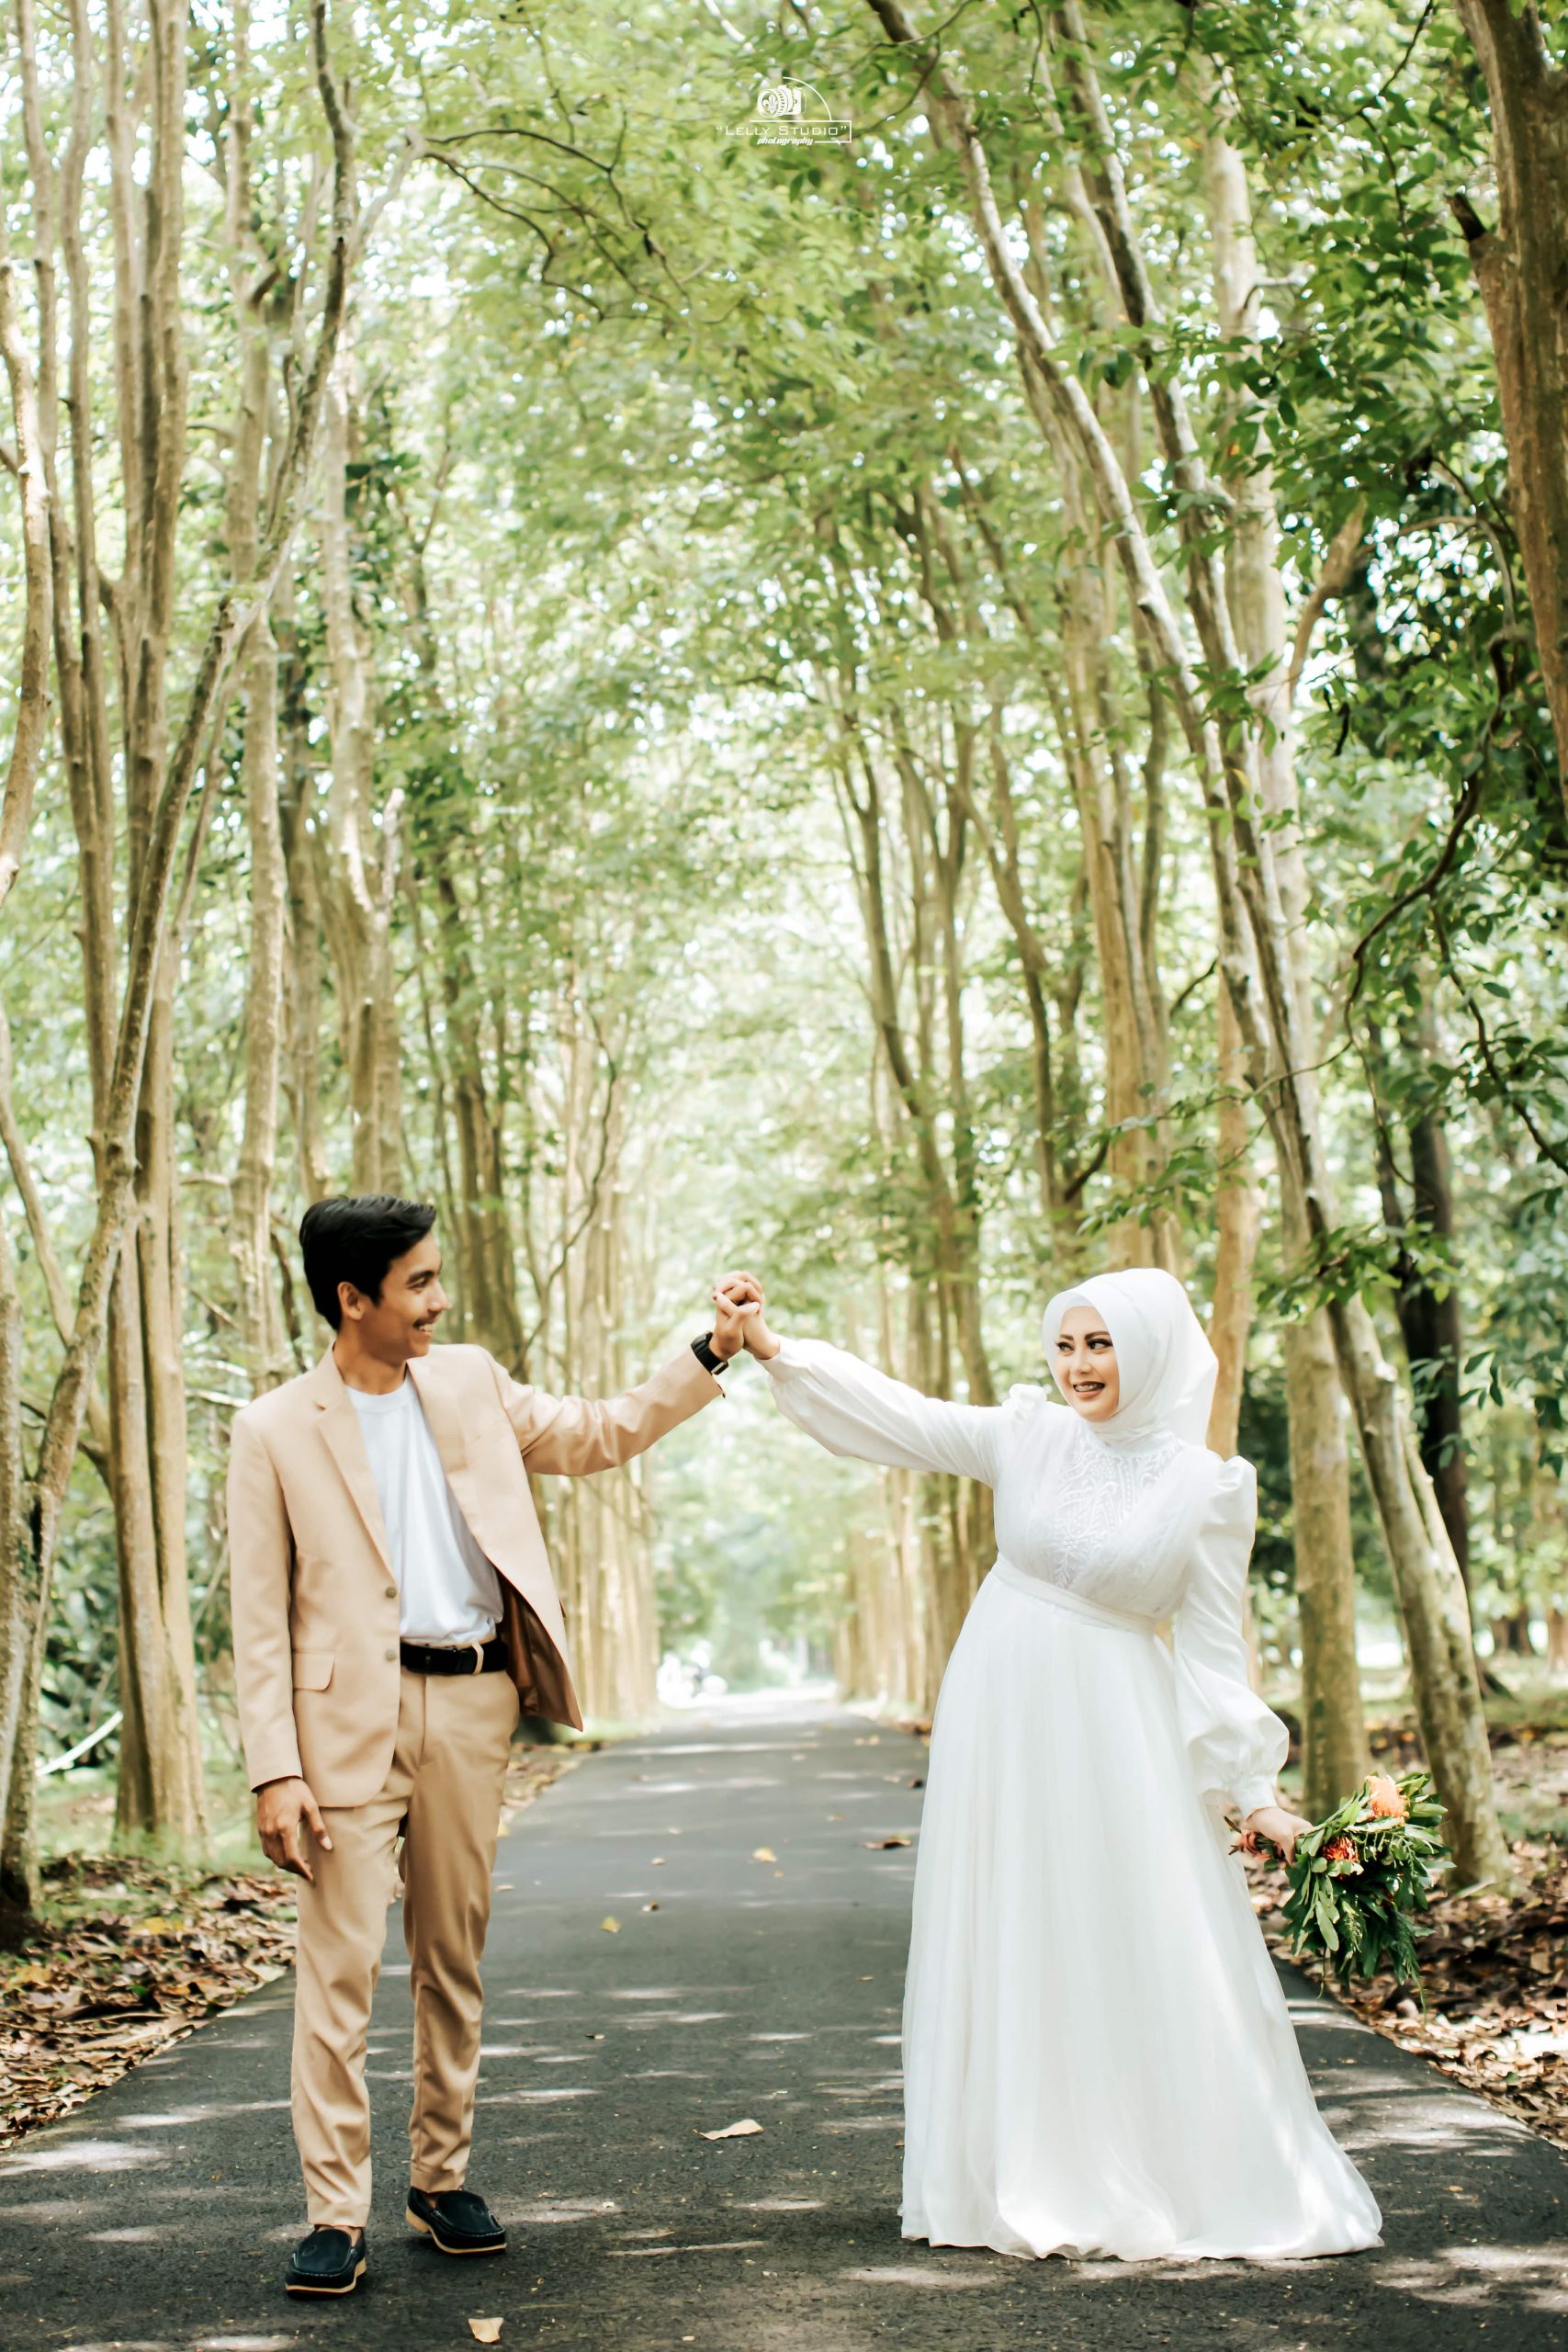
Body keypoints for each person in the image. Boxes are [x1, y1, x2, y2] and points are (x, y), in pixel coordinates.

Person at [719, 1264, 1382, 2263]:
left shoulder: (1206, 1487)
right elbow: (905, 1419)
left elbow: (1212, 1650)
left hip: (1118, 1731)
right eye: (1066, 1344)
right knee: (1011, 1916)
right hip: (998, 1713)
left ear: (1150, 1350)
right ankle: (1014, 2166)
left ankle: (1153, 2164)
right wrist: (773, 1349)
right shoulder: (1026, 1434)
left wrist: (1256, 1797)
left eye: (1102, 1344)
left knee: (1123, 1922)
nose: (1079, 1365)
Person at [229, 1194, 751, 2298]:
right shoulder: (274, 1427)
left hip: (471, 1703)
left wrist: (710, 1350)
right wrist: (275, 1767)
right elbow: (258, 1615)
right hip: (341, 1729)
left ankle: (440, 2177)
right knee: (337, 1973)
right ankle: (334, 2212)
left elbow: (597, 1431)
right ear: (352, 1298)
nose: (439, 1299)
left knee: (451, 1956)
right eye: (417, 1282)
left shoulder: (468, 1379)